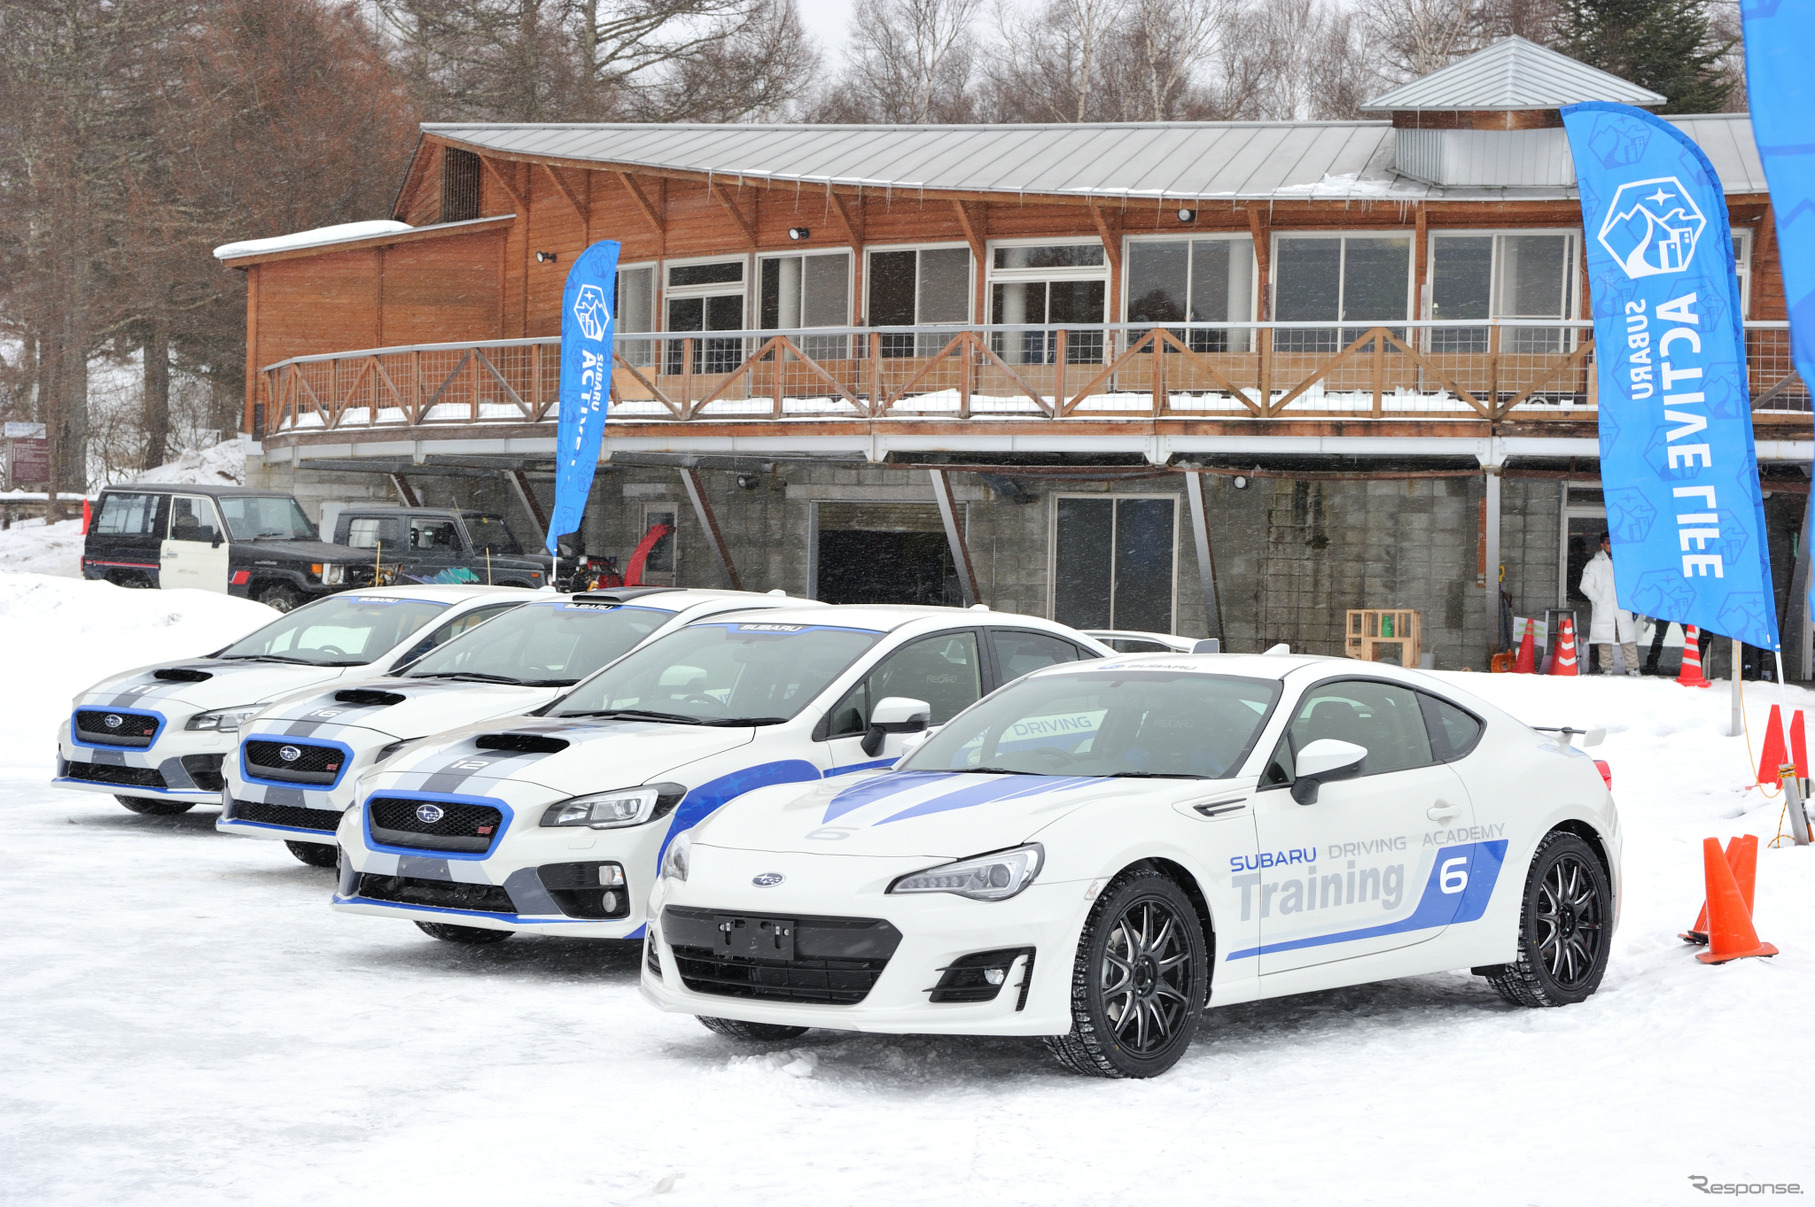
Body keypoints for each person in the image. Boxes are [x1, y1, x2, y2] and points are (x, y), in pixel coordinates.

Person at [1579, 531, 1639, 676]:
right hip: (1604, 607)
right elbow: (1585, 585)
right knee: (1604, 640)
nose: (1611, 545)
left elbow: (1634, 583)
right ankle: (1606, 667)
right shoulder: (1593, 564)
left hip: (1622, 607)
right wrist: (1598, 599)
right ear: (1602, 544)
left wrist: (1632, 602)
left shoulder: (1625, 561)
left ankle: (1633, 668)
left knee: (1627, 639)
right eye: (1608, 542)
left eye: (1614, 541)